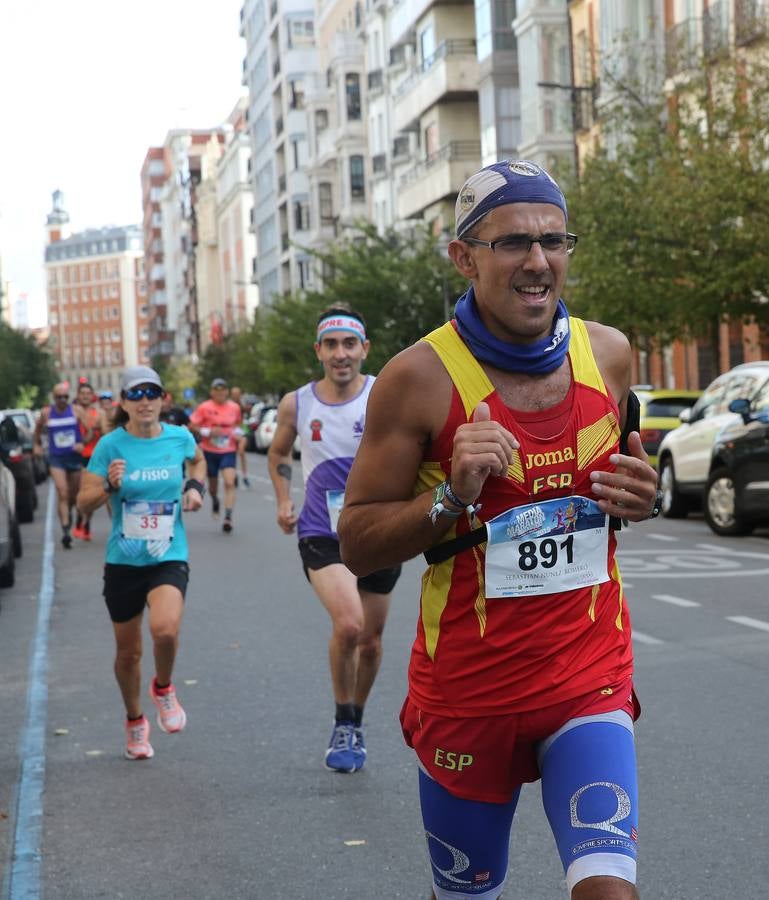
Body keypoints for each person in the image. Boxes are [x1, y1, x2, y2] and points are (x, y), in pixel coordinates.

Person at [337, 160, 660, 898]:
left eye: (554, 240)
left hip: (588, 675)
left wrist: (643, 498)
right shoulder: (417, 379)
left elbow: (616, 489)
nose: (538, 261)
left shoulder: (608, 354)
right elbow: (356, 542)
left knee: (609, 888)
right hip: (469, 694)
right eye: (513, 242)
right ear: (464, 257)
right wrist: (452, 495)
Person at [267, 306, 401, 774]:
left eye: (349, 344)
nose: (340, 354)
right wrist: (283, 499)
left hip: (379, 529)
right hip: (321, 530)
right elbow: (278, 454)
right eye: (331, 345)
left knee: (371, 642)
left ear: (364, 348)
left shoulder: (385, 393)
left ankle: (355, 720)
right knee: (350, 625)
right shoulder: (297, 403)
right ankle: (342, 720)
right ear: (318, 351)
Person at [76, 365, 206, 761]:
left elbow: (198, 461)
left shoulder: (179, 437)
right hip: (123, 561)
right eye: (136, 394)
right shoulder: (109, 446)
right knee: (128, 653)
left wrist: (194, 487)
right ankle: (134, 719)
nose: (145, 400)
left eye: (152, 393)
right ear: (124, 402)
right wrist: (109, 485)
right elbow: (83, 503)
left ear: (163, 399)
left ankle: (163, 687)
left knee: (165, 630)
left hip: (168, 554)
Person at [33, 383, 90, 549]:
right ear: (54, 397)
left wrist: (82, 443)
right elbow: (36, 432)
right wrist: (36, 445)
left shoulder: (77, 410)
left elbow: (90, 431)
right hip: (56, 458)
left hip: (74, 458)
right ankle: (66, 531)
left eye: (65, 397)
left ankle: (69, 514)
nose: (63, 400)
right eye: (59, 397)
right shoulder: (46, 413)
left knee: (74, 496)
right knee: (62, 492)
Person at [189, 378, 242, 533]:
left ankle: (228, 517)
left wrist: (239, 434)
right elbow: (192, 425)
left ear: (227, 391)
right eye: (217, 391)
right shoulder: (204, 407)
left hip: (228, 450)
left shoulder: (234, 407)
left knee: (229, 482)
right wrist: (207, 431)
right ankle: (215, 500)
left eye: (223, 390)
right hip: (209, 451)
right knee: (212, 487)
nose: (220, 393)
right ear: (212, 392)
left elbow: (239, 426)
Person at [72, 381, 106, 541]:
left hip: (93, 456)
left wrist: (100, 426)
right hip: (76, 455)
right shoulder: (72, 412)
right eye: (82, 393)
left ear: (92, 396)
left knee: (89, 491)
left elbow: (105, 434)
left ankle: (86, 525)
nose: (85, 396)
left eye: (88, 394)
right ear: (78, 395)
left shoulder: (99, 413)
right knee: (77, 492)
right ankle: (79, 518)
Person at [228, 385, 251, 489]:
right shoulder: (228, 405)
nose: (236, 396)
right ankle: (235, 474)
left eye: (237, 394)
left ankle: (245, 476)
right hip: (232, 430)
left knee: (241, 451)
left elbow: (247, 413)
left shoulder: (242, 404)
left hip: (241, 430)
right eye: (234, 394)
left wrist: (248, 409)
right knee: (232, 453)